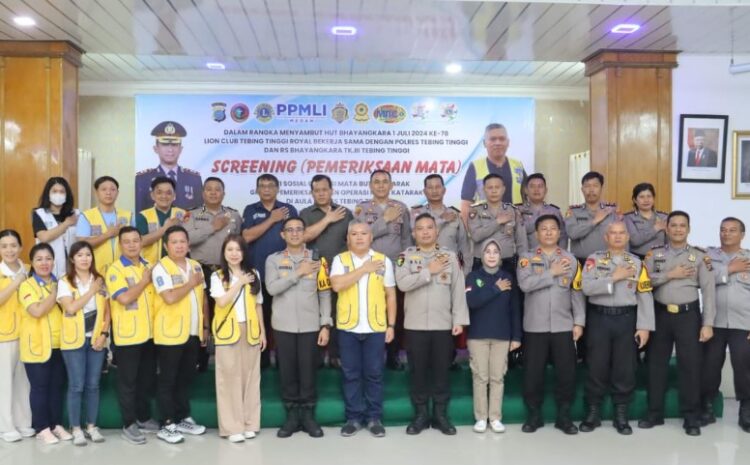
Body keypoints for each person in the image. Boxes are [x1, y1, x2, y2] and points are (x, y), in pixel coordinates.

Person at [640, 211, 715, 436]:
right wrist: (670, 274)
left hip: (688, 316)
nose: (678, 229)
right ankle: (654, 413)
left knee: (690, 366)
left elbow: (709, 292)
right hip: (660, 315)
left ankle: (691, 415)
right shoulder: (654, 254)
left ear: (688, 229)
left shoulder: (700, 256)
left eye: (683, 226)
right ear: (667, 228)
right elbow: (645, 282)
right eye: (674, 225)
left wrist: (707, 323)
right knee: (655, 364)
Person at [396, 213, 469, 436]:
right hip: (416, 325)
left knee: (441, 372)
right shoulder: (405, 257)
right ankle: (420, 416)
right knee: (417, 372)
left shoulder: (448, 256)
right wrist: (429, 271)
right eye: (421, 228)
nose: (426, 232)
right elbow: (402, 283)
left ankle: (440, 416)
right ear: (414, 233)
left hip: (442, 325)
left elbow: (458, 289)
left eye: (430, 228)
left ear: (436, 232)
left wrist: (459, 320)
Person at [580, 222, 654, 435]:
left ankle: (621, 414)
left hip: (626, 320)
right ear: (606, 237)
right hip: (599, 319)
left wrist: (645, 326)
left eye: (622, 233)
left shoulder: (637, 263)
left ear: (628, 236)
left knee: (625, 368)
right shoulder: (594, 259)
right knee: (596, 365)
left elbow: (644, 295)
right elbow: (587, 288)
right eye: (613, 233)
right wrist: (614, 277)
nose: (618, 236)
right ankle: (592, 413)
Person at [330, 220, 397, 437]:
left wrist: (391, 325)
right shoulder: (340, 260)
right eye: (354, 234)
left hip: (375, 327)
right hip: (348, 328)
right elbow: (337, 285)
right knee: (350, 374)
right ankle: (353, 418)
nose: (359, 237)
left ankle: (374, 418)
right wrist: (364, 269)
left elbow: (391, 295)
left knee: (374, 374)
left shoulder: (383, 261)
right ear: (348, 238)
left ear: (371, 237)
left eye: (364, 233)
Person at [517, 215, 583, 435]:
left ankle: (564, 417)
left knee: (567, 374)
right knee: (533, 374)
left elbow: (576, 292)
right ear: (536, 234)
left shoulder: (571, 260)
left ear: (559, 233)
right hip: (535, 326)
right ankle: (533, 416)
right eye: (543, 229)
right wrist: (551, 273)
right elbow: (525, 284)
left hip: (563, 325)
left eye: (552, 229)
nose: (548, 232)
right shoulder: (526, 259)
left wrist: (579, 322)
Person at [266, 218, 332, 438]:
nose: (294, 233)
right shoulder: (273, 260)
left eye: (299, 230)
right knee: (287, 372)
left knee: (308, 372)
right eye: (289, 230)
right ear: (283, 235)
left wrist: (325, 324)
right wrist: (298, 273)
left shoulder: (317, 260)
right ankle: (292, 416)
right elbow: (272, 288)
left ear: (305, 233)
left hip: (310, 326)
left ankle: (308, 416)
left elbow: (324, 293)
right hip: (283, 326)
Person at [151, 225, 209, 444]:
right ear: (166, 246)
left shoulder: (195, 266)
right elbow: (170, 298)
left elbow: (202, 297)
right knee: (168, 379)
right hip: (169, 334)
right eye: (174, 242)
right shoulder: (161, 268)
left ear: (188, 244)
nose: (179, 246)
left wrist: (204, 326)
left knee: (186, 378)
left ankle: (182, 416)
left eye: (182, 241)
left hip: (192, 332)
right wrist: (190, 283)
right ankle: (166, 423)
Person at [105, 226, 159, 445]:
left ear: (141, 242)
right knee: (128, 382)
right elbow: (125, 298)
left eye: (135, 241)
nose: (132, 245)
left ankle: (144, 417)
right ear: (120, 244)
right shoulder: (115, 270)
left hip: (150, 334)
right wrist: (145, 281)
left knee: (146, 380)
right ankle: (129, 423)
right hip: (128, 336)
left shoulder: (148, 266)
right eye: (126, 241)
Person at [353, 170, 410, 370]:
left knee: (395, 313)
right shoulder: (361, 209)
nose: (380, 185)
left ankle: (393, 355)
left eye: (385, 182)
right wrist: (384, 219)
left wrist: (405, 268)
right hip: (370, 268)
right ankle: (373, 357)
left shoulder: (401, 208)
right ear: (370, 186)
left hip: (395, 267)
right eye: (376, 182)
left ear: (391, 185)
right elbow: (359, 237)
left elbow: (407, 241)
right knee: (372, 309)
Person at [210, 235, 265, 443]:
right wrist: (239, 282)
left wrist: (262, 332)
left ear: (244, 253)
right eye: (230, 250)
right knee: (228, 379)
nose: (234, 254)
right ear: (224, 253)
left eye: (238, 250)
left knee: (251, 378)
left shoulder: (254, 274)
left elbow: (258, 304)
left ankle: (250, 423)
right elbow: (222, 302)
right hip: (228, 332)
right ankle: (232, 427)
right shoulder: (218, 276)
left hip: (250, 330)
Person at [184, 177, 243, 371]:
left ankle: (225, 356)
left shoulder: (234, 215)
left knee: (226, 312)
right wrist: (212, 227)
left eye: (217, 189)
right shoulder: (191, 215)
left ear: (223, 193)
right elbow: (187, 240)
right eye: (209, 189)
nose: (213, 192)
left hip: (226, 272)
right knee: (200, 313)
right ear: (203, 193)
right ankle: (199, 360)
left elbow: (240, 243)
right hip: (200, 270)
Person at [242, 173, 298, 368]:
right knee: (261, 318)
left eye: (270, 185)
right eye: (262, 186)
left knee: (284, 319)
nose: (266, 189)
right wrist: (272, 220)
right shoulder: (251, 210)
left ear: (277, 188)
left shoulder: (289, 209)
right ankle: (262, 360)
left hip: (285, 275)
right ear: (257, 189)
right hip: (258, 275)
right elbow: (246, 237)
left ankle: (284, 360)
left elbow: (297, 237)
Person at [56, 241, 110, 446]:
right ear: (72, 259)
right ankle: (76, 428)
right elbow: (70, 308)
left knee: (93, 385)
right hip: (73, 341)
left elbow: (107, 310)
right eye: (80, 255)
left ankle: (91, 426)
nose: (85, 258)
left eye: (88, 255)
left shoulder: (100, 280)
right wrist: (91, 291)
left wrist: (104, 334)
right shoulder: (65, 282)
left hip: (96, 339)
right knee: (76, 385)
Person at [465, 239, 519, 434]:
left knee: (497, 377)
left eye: (495, 251)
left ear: (500, 256)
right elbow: (472, 302)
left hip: (502, 335)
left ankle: (495, 417)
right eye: (487, 251)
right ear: (482, 255)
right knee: (480, 377)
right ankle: (481, 417)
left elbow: (515, 310)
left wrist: (517, 337)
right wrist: (495, 289)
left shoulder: (508, 278)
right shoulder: (472, 277)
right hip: (478, 335)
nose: (491, 255)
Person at [18, 243, 70, 444]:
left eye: (48, 258)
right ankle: (41, 427)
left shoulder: (61, 282)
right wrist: (55, 292)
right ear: (33, 262)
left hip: (60, 344)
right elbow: (37, 311)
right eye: (39, 259)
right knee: (40, 387)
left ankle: (55, 424)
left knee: (56, 387)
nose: (44, 263)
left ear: (54, 261)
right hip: (37, 346)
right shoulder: (27, 285)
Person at [702, 217, 750, 432]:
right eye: (723, 230)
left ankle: (746, 408)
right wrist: (729, 269)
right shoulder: (709, 257)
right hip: (714, 321)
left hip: (744, 323)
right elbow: (703, 279)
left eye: (732, 230)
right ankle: (707, 405)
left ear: (742, 234)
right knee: (710, 365)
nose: (726, 234)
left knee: (744, 367)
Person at [299, 174, 352, 367]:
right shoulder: (305, 213)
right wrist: (328, 219)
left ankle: (335, 355)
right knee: (316, 312)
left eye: (324, 189)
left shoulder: (345, 213)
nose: (321, 193)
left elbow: (354, 241)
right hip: (312, 271)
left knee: (338, 312)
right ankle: (317, 356)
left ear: (331, 190)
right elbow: (302, 237)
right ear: (311, 192)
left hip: (340, 272)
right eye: (317, 190)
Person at [0, 230, 33, 442]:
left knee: (24, 381)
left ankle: (23, 423)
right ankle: (5, 426)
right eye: (4, 246)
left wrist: (23, 276)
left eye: (13, 245)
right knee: (4, 382)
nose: (9, 250)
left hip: (28, 333)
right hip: (4, 335)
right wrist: (15, 281)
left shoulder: (29, 269)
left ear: (21, 247)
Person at [460, 123, 527, 225]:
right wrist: (467, 234)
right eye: (493, 139)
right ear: (484, 143)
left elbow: (529, 196)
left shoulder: (518, 165)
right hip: (485, 229)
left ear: (508, 142)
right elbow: (466, 203)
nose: (498, 143)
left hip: (515, 228)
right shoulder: (475, 166)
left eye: (502, 139)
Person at [135, 121, 203, 211]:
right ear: (156, 148)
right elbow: (139, 214)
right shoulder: (143, 179)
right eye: (165, 144)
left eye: (174, 144)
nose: (170, 149)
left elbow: (199, 213)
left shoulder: (194, 179)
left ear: (180, 149)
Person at [468, 174, 527, 274]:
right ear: (484, 190)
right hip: (481, 263)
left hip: (507, 262)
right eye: (490, 187)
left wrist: (524, 265)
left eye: (497, 187)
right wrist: (497, 222)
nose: (494, 191)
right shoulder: (476, 210)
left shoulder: (512, 211)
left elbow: (522, 242)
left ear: (503, 189)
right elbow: (476, 236)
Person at [77, 176, 135, 274]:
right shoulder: (86, 216)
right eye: (104, 189)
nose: (108, 193)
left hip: (124, 271)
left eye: (112, 189)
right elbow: (82, 245)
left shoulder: (128, 216)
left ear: (117, 193)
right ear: (96, 193)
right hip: (96, 271)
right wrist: (108, 234)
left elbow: (136, 243)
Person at [565, 171, 619, 264]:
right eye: (587, 186)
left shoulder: (612, 211)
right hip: (580, 262)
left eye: (595, 186)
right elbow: (572, 234)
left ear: (601, 188)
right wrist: (594, 221)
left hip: (607, 262)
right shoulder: (573, 211)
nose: (591, 189)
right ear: (582, 189)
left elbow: (622, 237)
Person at [32, 177, 79, 278]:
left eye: (62, 191)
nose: (58, 194)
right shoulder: (40, 214)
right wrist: (66, 224)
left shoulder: (76, 214)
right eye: (54, 191)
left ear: (67, 195)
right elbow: (44, 237)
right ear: (48, 194)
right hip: (48, 268)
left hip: (72, 268)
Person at [136, 177, 186, 265]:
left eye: (168, 193)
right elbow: (141, 242)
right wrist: (165, 228)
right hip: (150, 265)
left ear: (174, 195)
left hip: (177, 265)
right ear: (152, 195)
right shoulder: (143, 215)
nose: (164, 196)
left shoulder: (183, 215)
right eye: (159, 192)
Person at [517, 173, 567, 250]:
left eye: (540, 186)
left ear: (546, 190)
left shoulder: (554, 211)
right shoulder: (518, 211)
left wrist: (560, 255)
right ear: (526, 190)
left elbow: (563, 236)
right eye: (532, 186)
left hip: (553, 258)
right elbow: (517, 235)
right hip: (528, 257)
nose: (536, 190)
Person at [623, 183, 668, 258]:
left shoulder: (663, 217)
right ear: (635, 200)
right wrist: (655, 228)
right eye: (641, 197)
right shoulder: (629, 217)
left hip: (660, 258)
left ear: (653, 198)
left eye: (649, 196)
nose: (646, 200)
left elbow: (669, 242)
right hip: (637, 259)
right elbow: (635, 241)